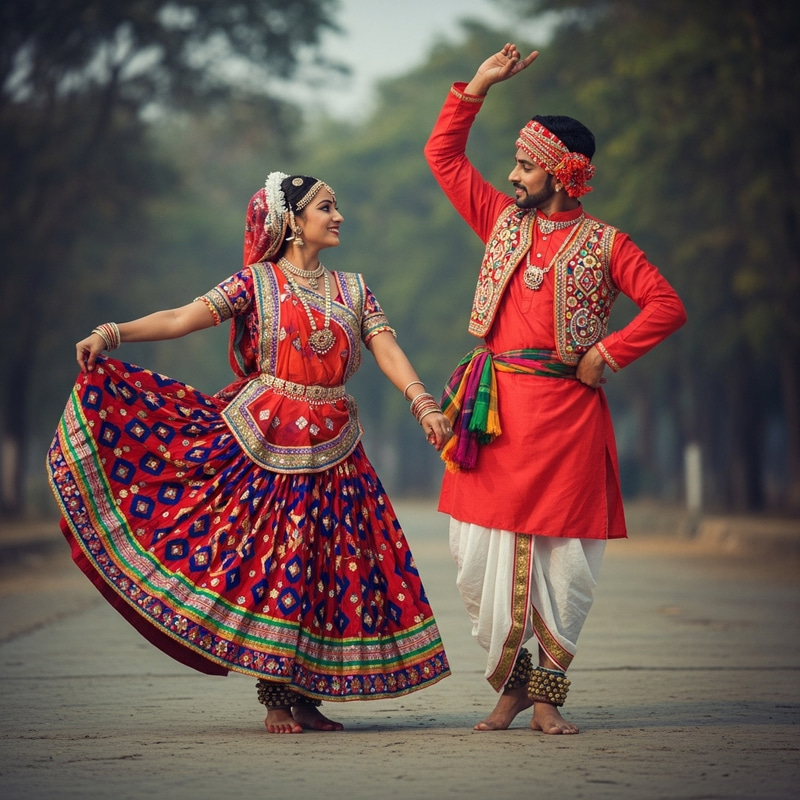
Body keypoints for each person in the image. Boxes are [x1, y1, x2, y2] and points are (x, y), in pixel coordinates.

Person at [47, 171, 453, 734]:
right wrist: (111, 333)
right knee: (277, 558)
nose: (338, 217)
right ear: (293, 222)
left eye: (336, 208)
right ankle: (276, 698)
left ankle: (306, 693)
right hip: (264, 440)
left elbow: (387, 350)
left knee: (326, 563)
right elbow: (180, 318)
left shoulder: (355, 289)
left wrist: (424, 405)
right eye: (326, 208)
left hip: (335, 444)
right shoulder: (255, 284)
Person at [424, 44, 687, 735]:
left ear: (565, 174)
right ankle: (511, 688)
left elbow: (665, 305)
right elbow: (444, 158)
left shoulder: (607, 244)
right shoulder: (501, 221)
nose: (513, 176)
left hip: (568, 420)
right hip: (494, 416)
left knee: (564, 567)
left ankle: (545, 696)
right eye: (515, 163)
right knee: (476, 560)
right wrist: (476, 85)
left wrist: (606, 351)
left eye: (527, 165)